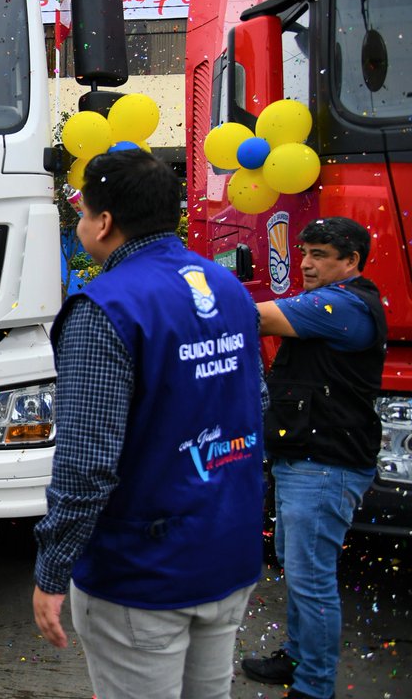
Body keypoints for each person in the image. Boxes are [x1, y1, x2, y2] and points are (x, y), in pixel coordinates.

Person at [31, 148, 266, 699]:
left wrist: (52, 568)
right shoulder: (225, 287)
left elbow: (86, 466)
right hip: (226, 554)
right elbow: (252, 406)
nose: (82, 222)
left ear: (104, 222)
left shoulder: (105, 307)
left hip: (143, 573)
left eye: (84, 212)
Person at [242, 217, 385, 699]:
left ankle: (314, 686)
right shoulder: (332, 301)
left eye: (321, 254)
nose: (306, 262)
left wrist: (200, 289)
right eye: (305, 252)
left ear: (351, 262)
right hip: (306, 455)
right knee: (297, 565)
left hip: (327, 463)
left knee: (311, 579)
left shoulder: (344, 305)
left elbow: (256, 317)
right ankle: (299, 657)